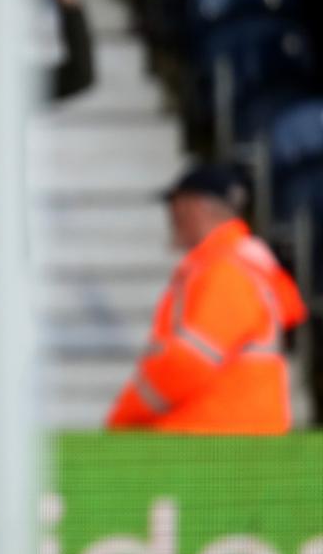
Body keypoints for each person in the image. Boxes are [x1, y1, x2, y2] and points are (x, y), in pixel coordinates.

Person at [106, 164, 307, 434]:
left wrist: (125, 416)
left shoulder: (226, 270)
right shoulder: (235, 264)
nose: (170, 216)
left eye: (174, 205)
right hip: (227, 437)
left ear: (194, 206)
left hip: (214, 439)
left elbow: (190, 361)